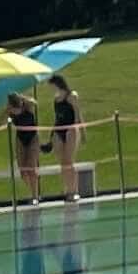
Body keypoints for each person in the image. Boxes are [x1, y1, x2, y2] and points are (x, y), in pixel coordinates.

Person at [1, 81, 42, 204]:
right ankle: (32, 192)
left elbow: (35, 102)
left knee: (31, 167)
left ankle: (35, 196)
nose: (15, 112)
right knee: (22, 169)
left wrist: (23, 97)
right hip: (20, 138)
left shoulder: (27, 105)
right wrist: (5, 112)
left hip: (33, 137)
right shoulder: (9, 111)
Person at [45, 72, 83, 200]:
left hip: (70, 129)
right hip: (58, 130)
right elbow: (57, 118)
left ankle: (74, 190)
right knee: (62, 162)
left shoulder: (71, 96)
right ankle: (67, 189)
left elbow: (78, 115)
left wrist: (81, 131)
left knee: (69, 160)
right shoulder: (56, 99)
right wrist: (51, 135)